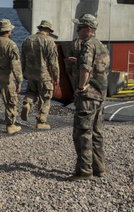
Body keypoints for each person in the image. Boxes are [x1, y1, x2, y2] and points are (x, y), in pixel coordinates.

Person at [65, 13, 110, 180]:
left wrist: (80, 87)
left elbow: (86, 67)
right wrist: (75, 62)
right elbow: (98, 68)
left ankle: (84, 171)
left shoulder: (87, 45)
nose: (77, 31)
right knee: (97, 132)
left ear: (88, 30)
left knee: (82, 132)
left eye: (80, 28)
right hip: (100, 95)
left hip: (88, 96)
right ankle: (99, 168)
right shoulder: (102, 46)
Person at [20, 19, 60, 129]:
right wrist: (56, 76)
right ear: (48, 30)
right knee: (45, 97)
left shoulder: (27, 39)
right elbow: (53, 62)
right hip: (44, 74)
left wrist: (23, 73)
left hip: (30, 73)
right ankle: (41, 121)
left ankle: (27, 103)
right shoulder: (49, 41)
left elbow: (22, 58)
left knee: (32, 92)